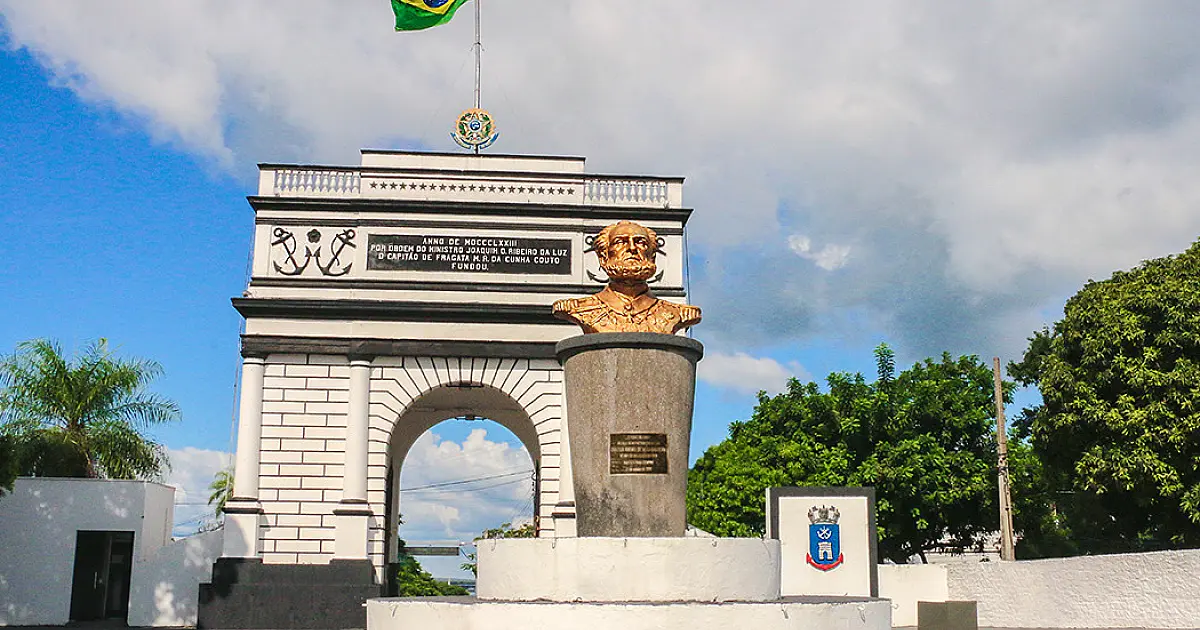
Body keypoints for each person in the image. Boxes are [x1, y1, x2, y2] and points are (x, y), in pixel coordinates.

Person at [553, 221, 701, 334]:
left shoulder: (678, 313)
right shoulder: (580, 309)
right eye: (620, 242)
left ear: (652, 256)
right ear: (603, 256)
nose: (631, 248)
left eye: (640, 242)